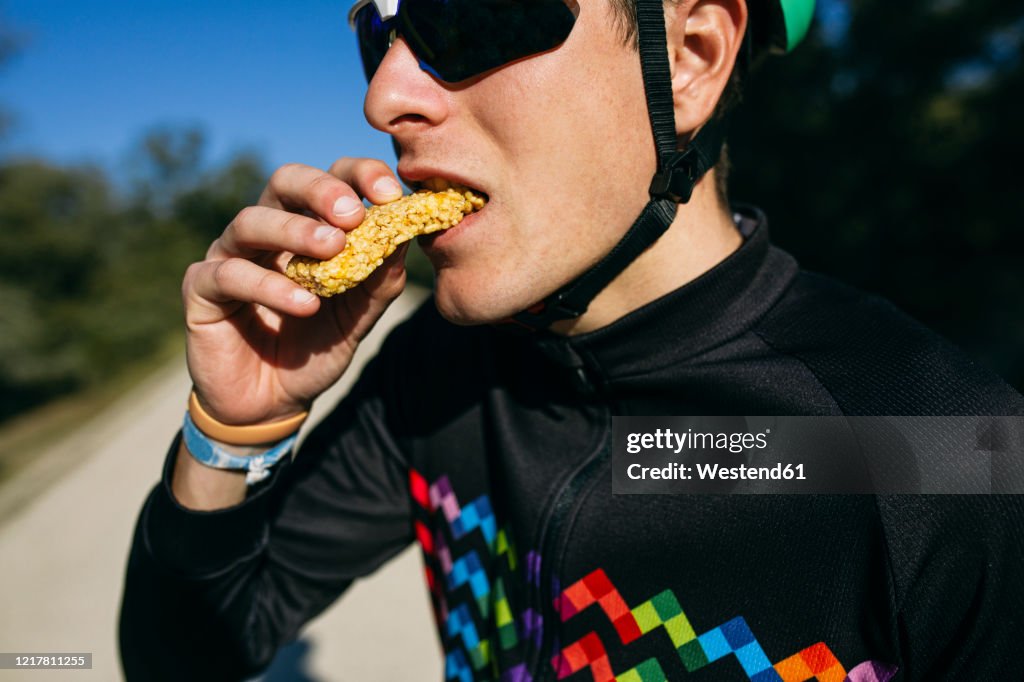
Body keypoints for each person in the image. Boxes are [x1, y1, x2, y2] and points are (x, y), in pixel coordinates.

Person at [119, 0, 1024, 680]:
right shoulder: (436, 371)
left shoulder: (946, 452)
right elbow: (186, 658)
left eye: (469, 14)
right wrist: (232, 430)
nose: (383, 98)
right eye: (378, 34)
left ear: (693, 56)